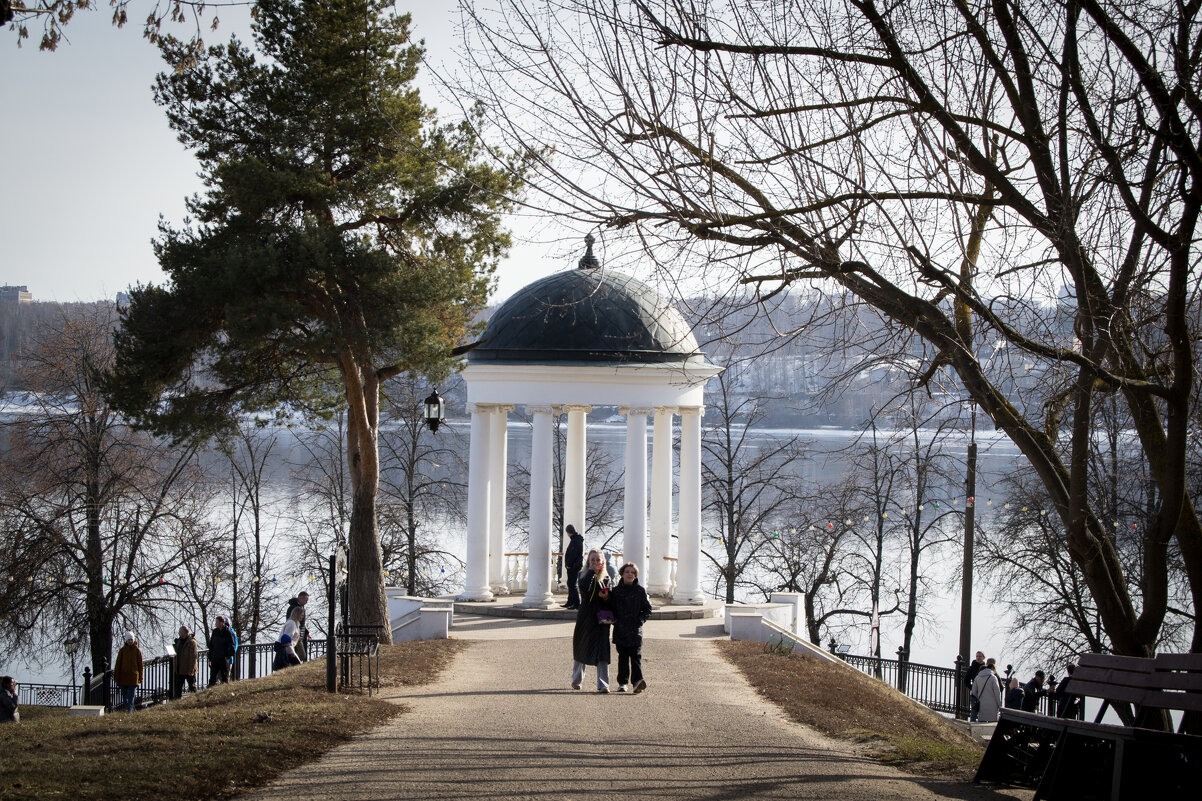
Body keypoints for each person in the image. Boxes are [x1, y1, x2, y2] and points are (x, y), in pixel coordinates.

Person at [571, 549, 613, 692]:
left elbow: (611, 600)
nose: (595, 562)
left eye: (598, 560)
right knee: (581, 645)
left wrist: (606, 597)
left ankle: (603, 684)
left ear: (603, 563)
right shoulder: (582, 575)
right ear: (588, 562)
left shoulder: (607, 578)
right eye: (592, 560)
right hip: (586, 616)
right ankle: (576, 680)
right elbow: (584, 589)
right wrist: (591, 572)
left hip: (601, 617)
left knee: (602, 649)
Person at [610, 562, 653, 693]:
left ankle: (637, 682)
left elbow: (647, 609)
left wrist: (640, 620)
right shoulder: (616, 591)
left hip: (635, 630)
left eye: (632, 572)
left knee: (635, 656)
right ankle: (622, 683)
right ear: (622, 574)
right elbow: (610, 608)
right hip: (620, 629)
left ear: (635, 576)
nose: (630, 574)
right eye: (627, 572)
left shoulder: (640, 591)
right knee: (622, 657)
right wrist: (614, 620)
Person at [113, 632, 143, 713]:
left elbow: (140, 665)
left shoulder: (137, 651)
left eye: (131, 640)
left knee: (131, 695)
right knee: (124, 695)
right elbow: (118, 664)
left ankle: (129, 710)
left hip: (133, 677)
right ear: (126, 640)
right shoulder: (122, 651)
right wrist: (116, 677)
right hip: (123, 676)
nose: (130, 641)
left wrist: (141, 677)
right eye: (129, 640)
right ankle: (126, 709)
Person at [971, 657, 1003, 723]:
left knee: (982, 722)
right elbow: (997, 693)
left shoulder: (978, 677)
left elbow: (974, 691)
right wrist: (999, 705)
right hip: (992, 706)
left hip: (982, 705)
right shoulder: (993, 678)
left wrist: (979, 697)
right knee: (992, 724)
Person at [208, 616, 237, 686]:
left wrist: (228, 656)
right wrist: (210, 658)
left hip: (223, 659)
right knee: (212, 677)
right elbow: (211, 646)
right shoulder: (215, 632)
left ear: (222, 623)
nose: (216, 624)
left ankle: (225, 692)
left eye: (217, 622)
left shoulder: (228, 632)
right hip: (215, 658)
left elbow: (232, 646)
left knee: (224, 677)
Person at [173, 625, 199, 698]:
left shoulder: (192, 642)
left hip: (188, 669)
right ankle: (176, 701)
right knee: (178, 687)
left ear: (184, 632)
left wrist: (191, 670)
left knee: (192, 686)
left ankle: (196, 699)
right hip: (180, 668)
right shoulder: (179, 641)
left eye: (180, 632)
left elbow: (193, 657)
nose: (179, 633)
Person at [563, 524, 584, 609]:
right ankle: (570, 602)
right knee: (570, 583)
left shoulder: (575, 541)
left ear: (568, 532)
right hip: (575, 565)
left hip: (573, 566)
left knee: (572, 584)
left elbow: (573, 555)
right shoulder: (577, 539)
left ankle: (576, 603)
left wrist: (569, 564)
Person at [285, 592, 309, 661]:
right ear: (301, 598)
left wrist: (306, 632)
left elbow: (302, 624)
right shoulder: (293, 608)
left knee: (301, 655)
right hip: (295, 635)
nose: (306, 602)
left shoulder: (302, 607)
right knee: (299, 655)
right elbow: (294, 623)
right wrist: (299, 635)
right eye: (306, 600)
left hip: (300, 635)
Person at [965, 650, 986, 721]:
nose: (978, 658)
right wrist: (972, 688)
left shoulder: (986, 668)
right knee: (974, 712)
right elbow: (966, 680)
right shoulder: (972, 668)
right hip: (975, 694)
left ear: (983, 657)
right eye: (977, 656)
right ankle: (972, 727)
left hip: (984, 693)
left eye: (980, 656)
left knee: (983, 712)